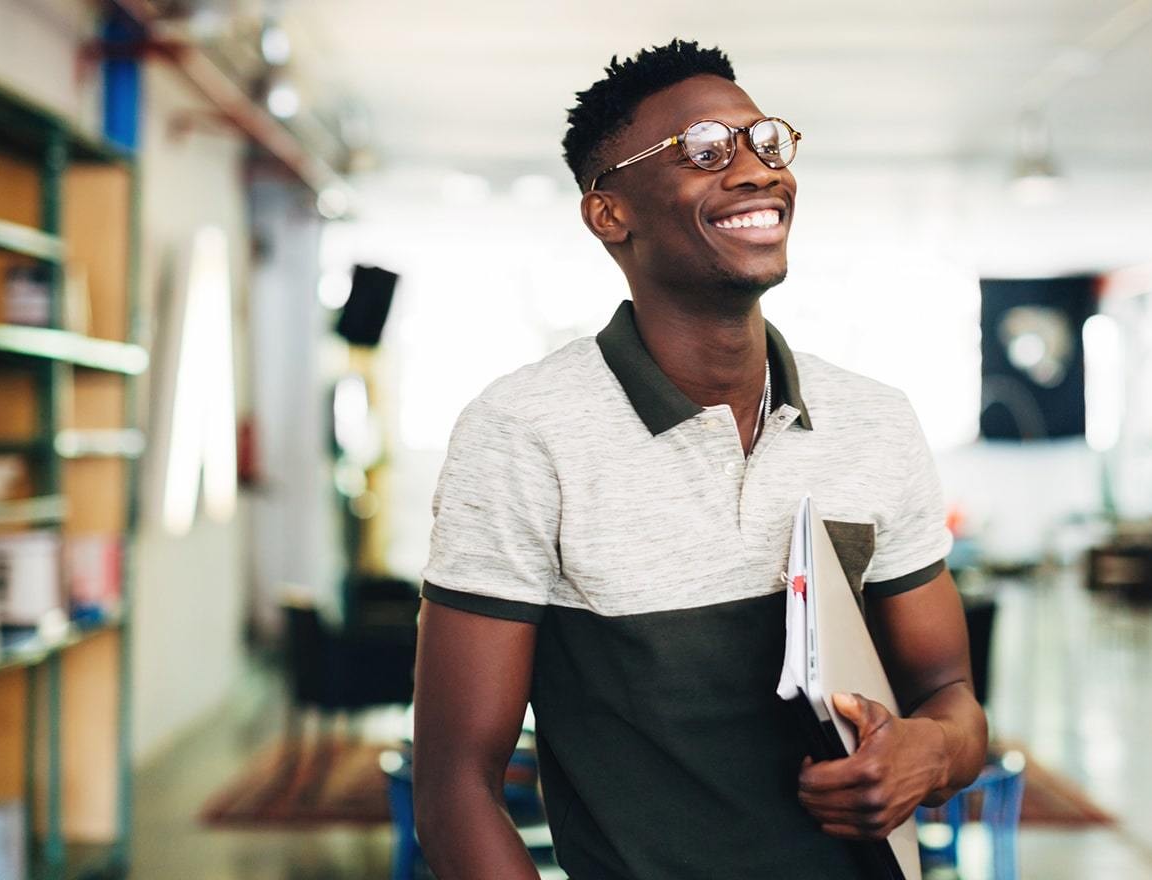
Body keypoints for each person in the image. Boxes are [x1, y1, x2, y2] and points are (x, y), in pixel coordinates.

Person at [412, 39, 988, 880]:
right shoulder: (524, 431)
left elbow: (955, 702)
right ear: (610, 213)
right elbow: (454, 784)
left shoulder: (876, 422)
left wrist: (927, 756)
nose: (757, 169)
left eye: (766, 143)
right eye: (706, 151)